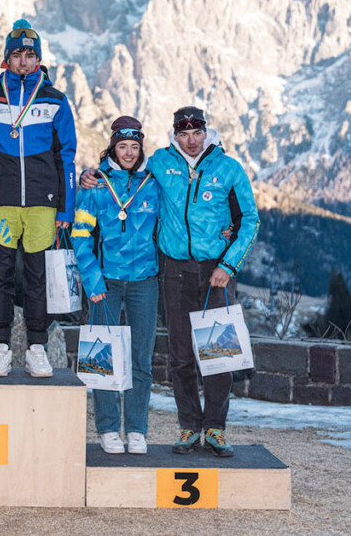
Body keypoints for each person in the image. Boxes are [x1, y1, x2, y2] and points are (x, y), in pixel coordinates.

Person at [81, 106, 259, 456]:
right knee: (179, 354)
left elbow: (249, 221)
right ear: (173, 136)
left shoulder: (228, 168)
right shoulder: (160, 165)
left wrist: (229, 264)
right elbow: (116, 181)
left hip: (216, 271)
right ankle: (189, 428)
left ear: (206, 132)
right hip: (173, 270)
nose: (191, 141)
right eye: (183, 134)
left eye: (197, 134)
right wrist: (90, 174)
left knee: (218, 354)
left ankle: (216, 429)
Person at [0, 19, 77, 377]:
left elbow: (66, 155)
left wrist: (66, 207)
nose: (23, 61)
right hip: (1, 202)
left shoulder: (55, 100)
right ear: (6, 59)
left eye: (30, 55)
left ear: (38, 60)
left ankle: (37, 346)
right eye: (16, 54)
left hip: (42, 204)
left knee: (38, 277)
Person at [71, 117, 160, 455]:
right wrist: (92, 281)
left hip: (144, 282)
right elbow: (80, 236)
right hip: (105, 282)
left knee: (141, 358)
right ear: (112, 147)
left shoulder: (152, 184)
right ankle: (108, 428)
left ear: (140, 150)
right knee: (102, 357)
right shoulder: (95, 186)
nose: (128, 153)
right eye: (122, 147)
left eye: (134, 147)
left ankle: (136, 429)